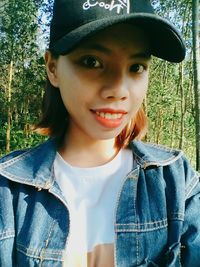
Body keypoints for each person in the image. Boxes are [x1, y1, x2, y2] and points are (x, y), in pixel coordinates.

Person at [0, 0, 199, 266]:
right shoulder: (8, 190)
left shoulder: (176, 182)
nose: (119, 89)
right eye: (92, 61)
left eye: (136, 67)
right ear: (52, 67)